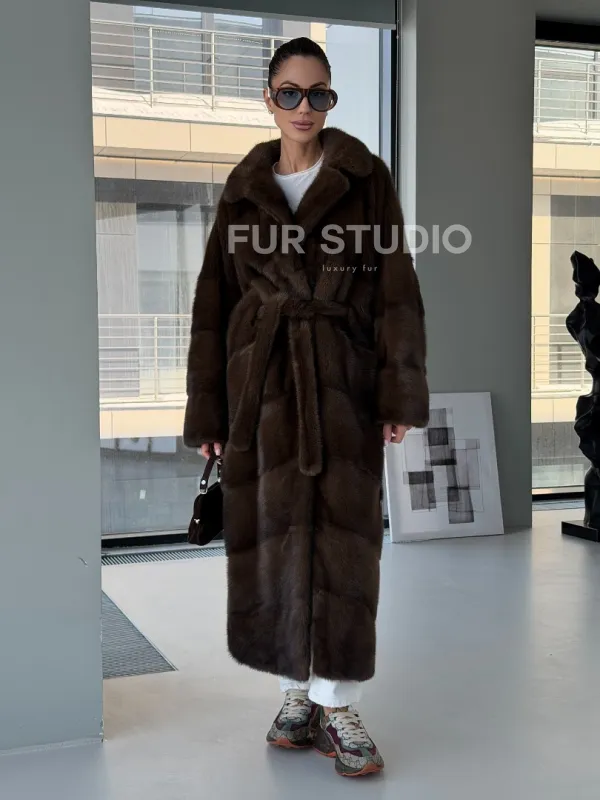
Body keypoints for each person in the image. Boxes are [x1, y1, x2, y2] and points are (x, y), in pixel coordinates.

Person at [183, 37, 429, 778]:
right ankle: (296, 692)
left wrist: (396, 390)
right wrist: (210, 412)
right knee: (276, 540)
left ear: (330, 100)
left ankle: (339, 700)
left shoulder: (364, 177)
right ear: (268, 98)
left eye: (318, 93)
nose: (303, 107)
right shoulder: (244, 186)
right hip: (261, 388)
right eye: (289, 92)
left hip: (341, 380)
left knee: (346, 545)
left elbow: (395, 288)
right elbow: (213, 300)